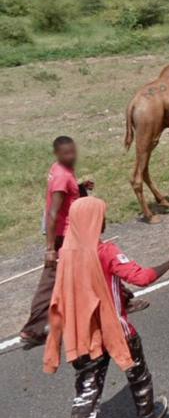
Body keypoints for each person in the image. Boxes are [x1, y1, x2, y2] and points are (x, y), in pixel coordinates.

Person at [43, 196, 169, 418]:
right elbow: (142, 277)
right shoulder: (106, 251)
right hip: (115, 331)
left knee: (87, 392)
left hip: (84, 336)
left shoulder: (66, 254)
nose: (104, 220)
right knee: (138, 375)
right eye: (101, 216)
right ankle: (148, 415)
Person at [20, 136, 92, 348]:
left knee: (91, 267)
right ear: (57, 154)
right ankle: (32, 329)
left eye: (73, 151)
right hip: (66, 236)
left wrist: (80, 187)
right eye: (66, 153)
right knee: (51, 279)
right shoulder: (61, 176)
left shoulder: (60, 169)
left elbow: (66, 195)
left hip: (71, 233)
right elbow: (53, 213)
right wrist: (50, 249)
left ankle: (33, 328)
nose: (71, 156)